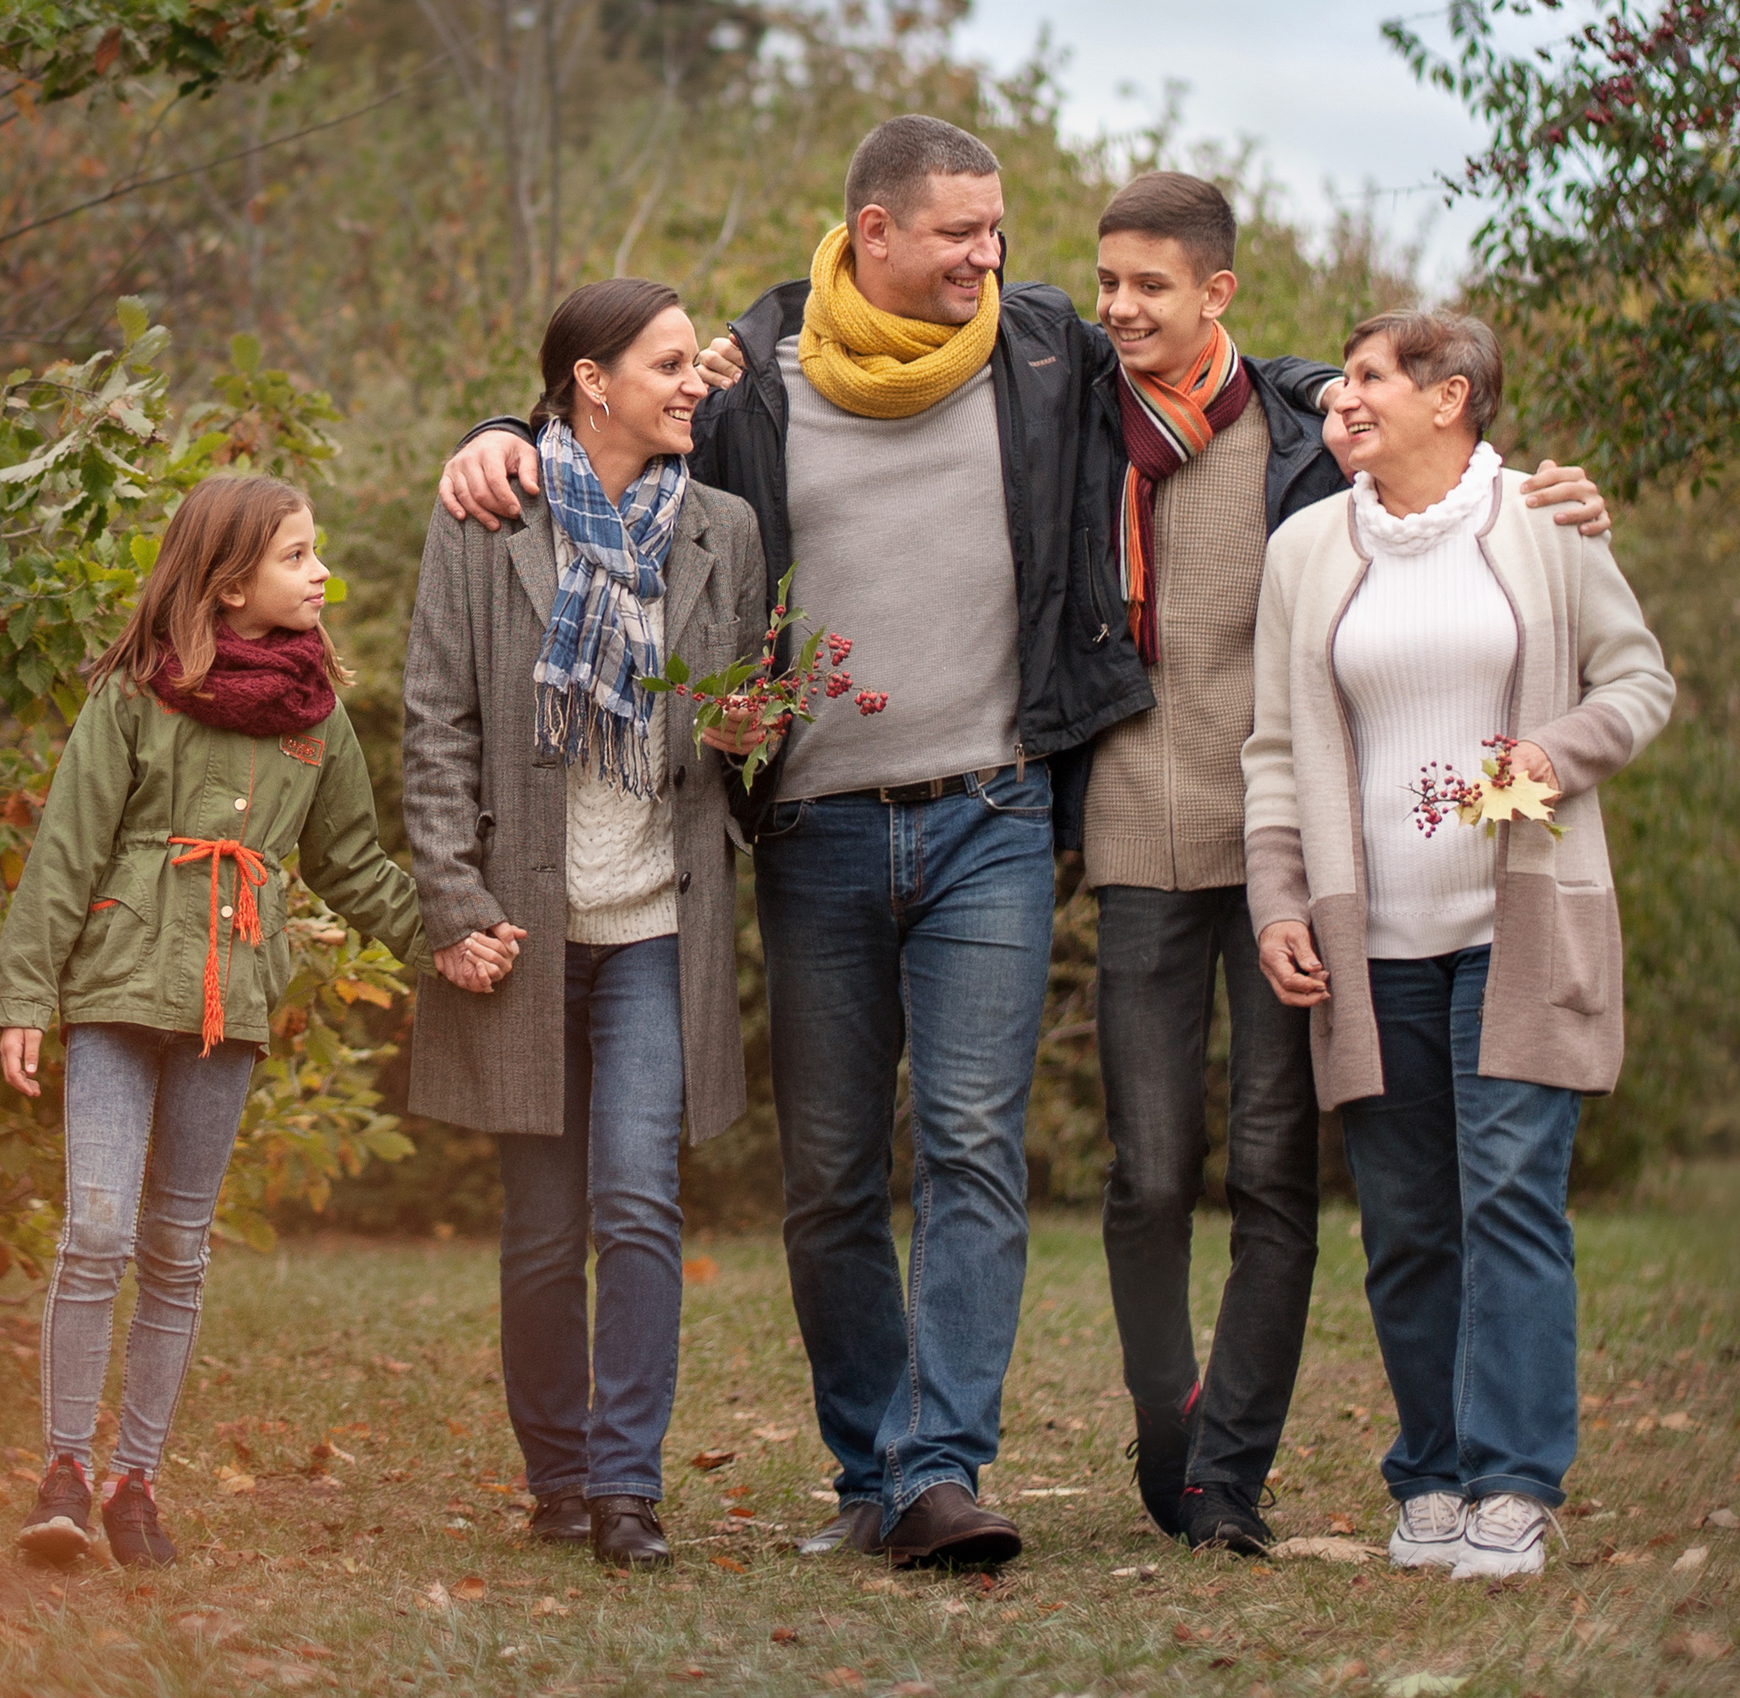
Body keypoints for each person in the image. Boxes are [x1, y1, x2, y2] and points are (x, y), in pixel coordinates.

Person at [439, 115, 1149, 1569]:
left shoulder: (1041, 351)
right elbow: (609, 436)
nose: (989, 254)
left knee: (967, 1144)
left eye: (997, 228)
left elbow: (1229, 379)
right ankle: (867, 1468)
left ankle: (941, 1468)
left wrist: (1411, 421)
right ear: (872, 232)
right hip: (817, 831)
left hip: (994, 815)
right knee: (827, 1171)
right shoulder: (757, 377)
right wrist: (503, 433)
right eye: (959, 230)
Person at [1065, 174, 1612, 1557]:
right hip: (1242, 878)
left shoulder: (1418, 488)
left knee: (1376, 1185)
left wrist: (1538, 748)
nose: (1123, 308)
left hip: (1408, 896)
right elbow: (1276, 735)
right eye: (1107, 284)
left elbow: (1610, 656)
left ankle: (1402, 1480)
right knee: (1269, 1201)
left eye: (1154, 286)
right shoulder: (1108, 435)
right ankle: (1299, 1447)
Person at [1244, 310, 1673, 1580]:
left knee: (1510, 1199)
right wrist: (1279, 899)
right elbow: (1274, 747)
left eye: (1372, 380)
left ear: (1453, 397)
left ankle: (1514, 1482)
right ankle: (1430, 1476)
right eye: (1344, 383)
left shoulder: (1546, 522)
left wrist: (1553, 752)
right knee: (1411, 1222)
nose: (1345, 402)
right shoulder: (1307, 549)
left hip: (1520, 927)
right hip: (1369, 943)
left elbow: (1637, 682)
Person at [0, 475, 425, 1568]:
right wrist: (24, 993)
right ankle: (64, 1473)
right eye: (296, 555)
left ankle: (136, 1481)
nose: (320, 571)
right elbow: (65, 850)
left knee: (177, 1248)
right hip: (114, 995)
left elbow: (354, 864)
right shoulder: (136, 694)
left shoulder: (317, 720)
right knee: (97, 1228)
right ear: (229, 586)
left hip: (227, 1010)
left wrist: (448, 938)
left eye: (314, 551)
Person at [403, 278, 767, 1570]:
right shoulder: (487, 521)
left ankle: (626, 1485)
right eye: (667, 363)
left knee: (638, 1201)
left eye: (695, 363)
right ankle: (555, 1474)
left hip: (659, 924)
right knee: (545, 1227)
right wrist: (452, 899)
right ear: (590, 381)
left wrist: (748, 737)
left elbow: (746, 729)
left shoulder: (722, 527)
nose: (692, 383)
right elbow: (436, 719)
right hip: (523, 929)